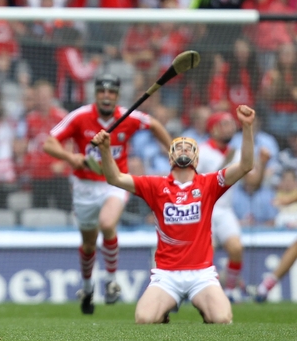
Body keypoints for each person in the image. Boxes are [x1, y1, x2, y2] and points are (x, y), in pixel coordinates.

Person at [92, 104, 256, 324]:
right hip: (166, 274)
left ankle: (205, 309)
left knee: (222, 318)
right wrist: (105, 150)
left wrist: (246, 127)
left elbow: (245, 165)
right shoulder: (156, 185)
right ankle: (163, 312)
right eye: (178, 148)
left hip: (202, 274)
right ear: (170, 159)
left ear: (197, 161)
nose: (183, 151)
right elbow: (115, 178)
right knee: (144, 319)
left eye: (189, 149)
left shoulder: (209, 183)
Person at [43, 73, 171, 314]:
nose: (106, 96)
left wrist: (172, 149)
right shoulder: (80, 116)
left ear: (117, 96)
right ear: (96, 94)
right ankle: (88, 287)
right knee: (89, 245)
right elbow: (49, 143)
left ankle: (111, 282)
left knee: (107, 223)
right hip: (83, 187)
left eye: (111, 92)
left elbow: (153, 124)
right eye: (102, 91)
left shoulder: (129, 117)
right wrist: (72, 157)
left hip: (115, 182)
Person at [196, 112, 245, 299]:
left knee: (236, 248)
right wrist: (224, 164)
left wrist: (263, 163)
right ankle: (206, 294)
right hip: (203, 209)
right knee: (208, 252)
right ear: (213, 128)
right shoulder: (201, 151)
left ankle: (231, 291)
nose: (231, 127)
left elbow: (253, 183)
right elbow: (196, 182)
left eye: (232, 124)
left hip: (225, 209)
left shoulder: (238, 153)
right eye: (225, 124)